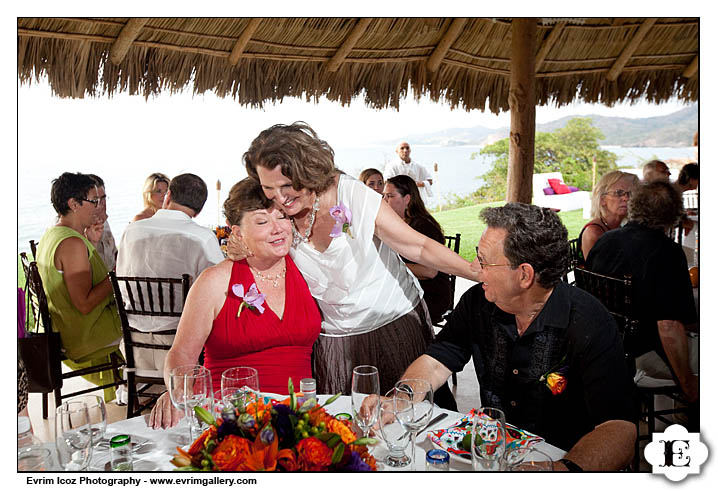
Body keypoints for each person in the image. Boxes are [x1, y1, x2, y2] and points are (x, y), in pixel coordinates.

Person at [370, 203, 637, 470]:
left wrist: (558, 470)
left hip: (564, 462)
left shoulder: (588, 322)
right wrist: (402, 397)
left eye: (484, 261)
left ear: (524, 275)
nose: (475, 267)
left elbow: (619, 428)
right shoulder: (478, 302)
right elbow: (437, 361)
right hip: (490, 457)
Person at [239, 122, 476, 395]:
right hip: (333, 342)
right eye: (270, 188)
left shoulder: (350, 194)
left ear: (309, 171)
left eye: (288, 185)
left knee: (407, 421)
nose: (280, 198)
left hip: (393, 326)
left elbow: (418, 247)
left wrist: (479, 273)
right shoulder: (276, 211)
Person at [148, 178, 321, 429]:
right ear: (237, 232)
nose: (278, 228)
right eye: (262, 221)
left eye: (282, 217)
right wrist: (178, 393)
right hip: (230, 418)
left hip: (299, 417)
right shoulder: (214, 281)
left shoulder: (307, 270)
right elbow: (182, 354)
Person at [586, 181, 698, 414]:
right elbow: (668, 326)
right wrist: (688, 384)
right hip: (640, 357)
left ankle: (666, 422)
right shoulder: (667, 252)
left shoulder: (605, 241)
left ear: (635, 206)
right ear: (674, 214)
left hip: (604, 348)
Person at [116, 173, 224, 376]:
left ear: (169, 195)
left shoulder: (131, 231)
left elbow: (122, 281)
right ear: (199, 209)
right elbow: (221, 290)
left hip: (134, 342)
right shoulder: (201, 237)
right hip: (182, 347)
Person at [35, 172, 123, 401]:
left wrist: (92, 242)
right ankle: (143, 391)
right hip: (86, 335)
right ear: (73, 204)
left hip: (66, 328)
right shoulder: (72, 244)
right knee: (153, 327)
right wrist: (116, 275)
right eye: (93, 201)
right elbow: (84, 304)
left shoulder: (53, 235)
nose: (99, 206)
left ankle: (130, 387)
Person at [383, 175, 452, 324]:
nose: (384, 201)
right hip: (409, 290)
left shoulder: (423, 227)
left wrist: (389, 265)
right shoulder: (399, 224)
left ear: (407, 199)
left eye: (390, 196)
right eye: (384, 196)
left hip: (430, 295)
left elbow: (429, 271)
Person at [577, 170, 639, 262]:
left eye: (630, 194)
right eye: (618, 193)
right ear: (602, 200)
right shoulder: (594, 232)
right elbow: (600, 273)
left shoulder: (621, 226)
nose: (626, 198)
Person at [86, 174, 118, 271]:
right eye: (95, 200)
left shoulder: (104, 221)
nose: (101, 204)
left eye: (103, 198)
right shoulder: (79, 229)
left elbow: (115, 255)